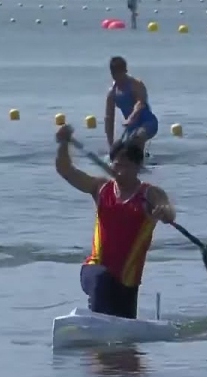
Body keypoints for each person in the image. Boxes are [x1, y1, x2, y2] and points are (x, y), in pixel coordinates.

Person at [54, 124, 176, 319]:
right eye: (116, 165)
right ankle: (95, 324)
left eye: (125, 166)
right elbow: (66, 170)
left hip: (128, 281)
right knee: (101, 279)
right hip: (94, 268)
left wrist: (164, 212)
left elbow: (168, 211)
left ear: (137, 167)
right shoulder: (100, 188)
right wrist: (63, 144)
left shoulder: (150, 194)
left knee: (125, 343)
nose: (119, 170)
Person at [105, 56, 158, 157]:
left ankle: (140, 163)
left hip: (148, 122)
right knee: (121, 151)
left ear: (125, 71)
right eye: (114, 74)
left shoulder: (136, 84)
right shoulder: (112, 93)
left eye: (119, 74)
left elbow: (140, 104)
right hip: (131, 128)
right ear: (111, 73)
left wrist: (131, 117)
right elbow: (109, 119)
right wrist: (111, 144)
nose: (117, 78)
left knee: (138, 136)